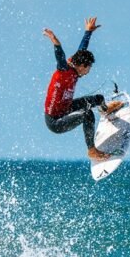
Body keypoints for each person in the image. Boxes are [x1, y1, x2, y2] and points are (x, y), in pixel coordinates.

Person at [43, 16, 123, 161]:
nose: (89, 71)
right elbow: (60, 57)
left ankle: (106, 111)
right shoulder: (64, 71)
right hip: (55, 121)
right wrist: (55, 41)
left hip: (66, 107)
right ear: (82, 66)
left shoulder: (76, 66)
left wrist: (88, 32)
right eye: (89, 68)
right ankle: (92, 150)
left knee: (98, 98)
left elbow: (82, 50)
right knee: (87, 115)